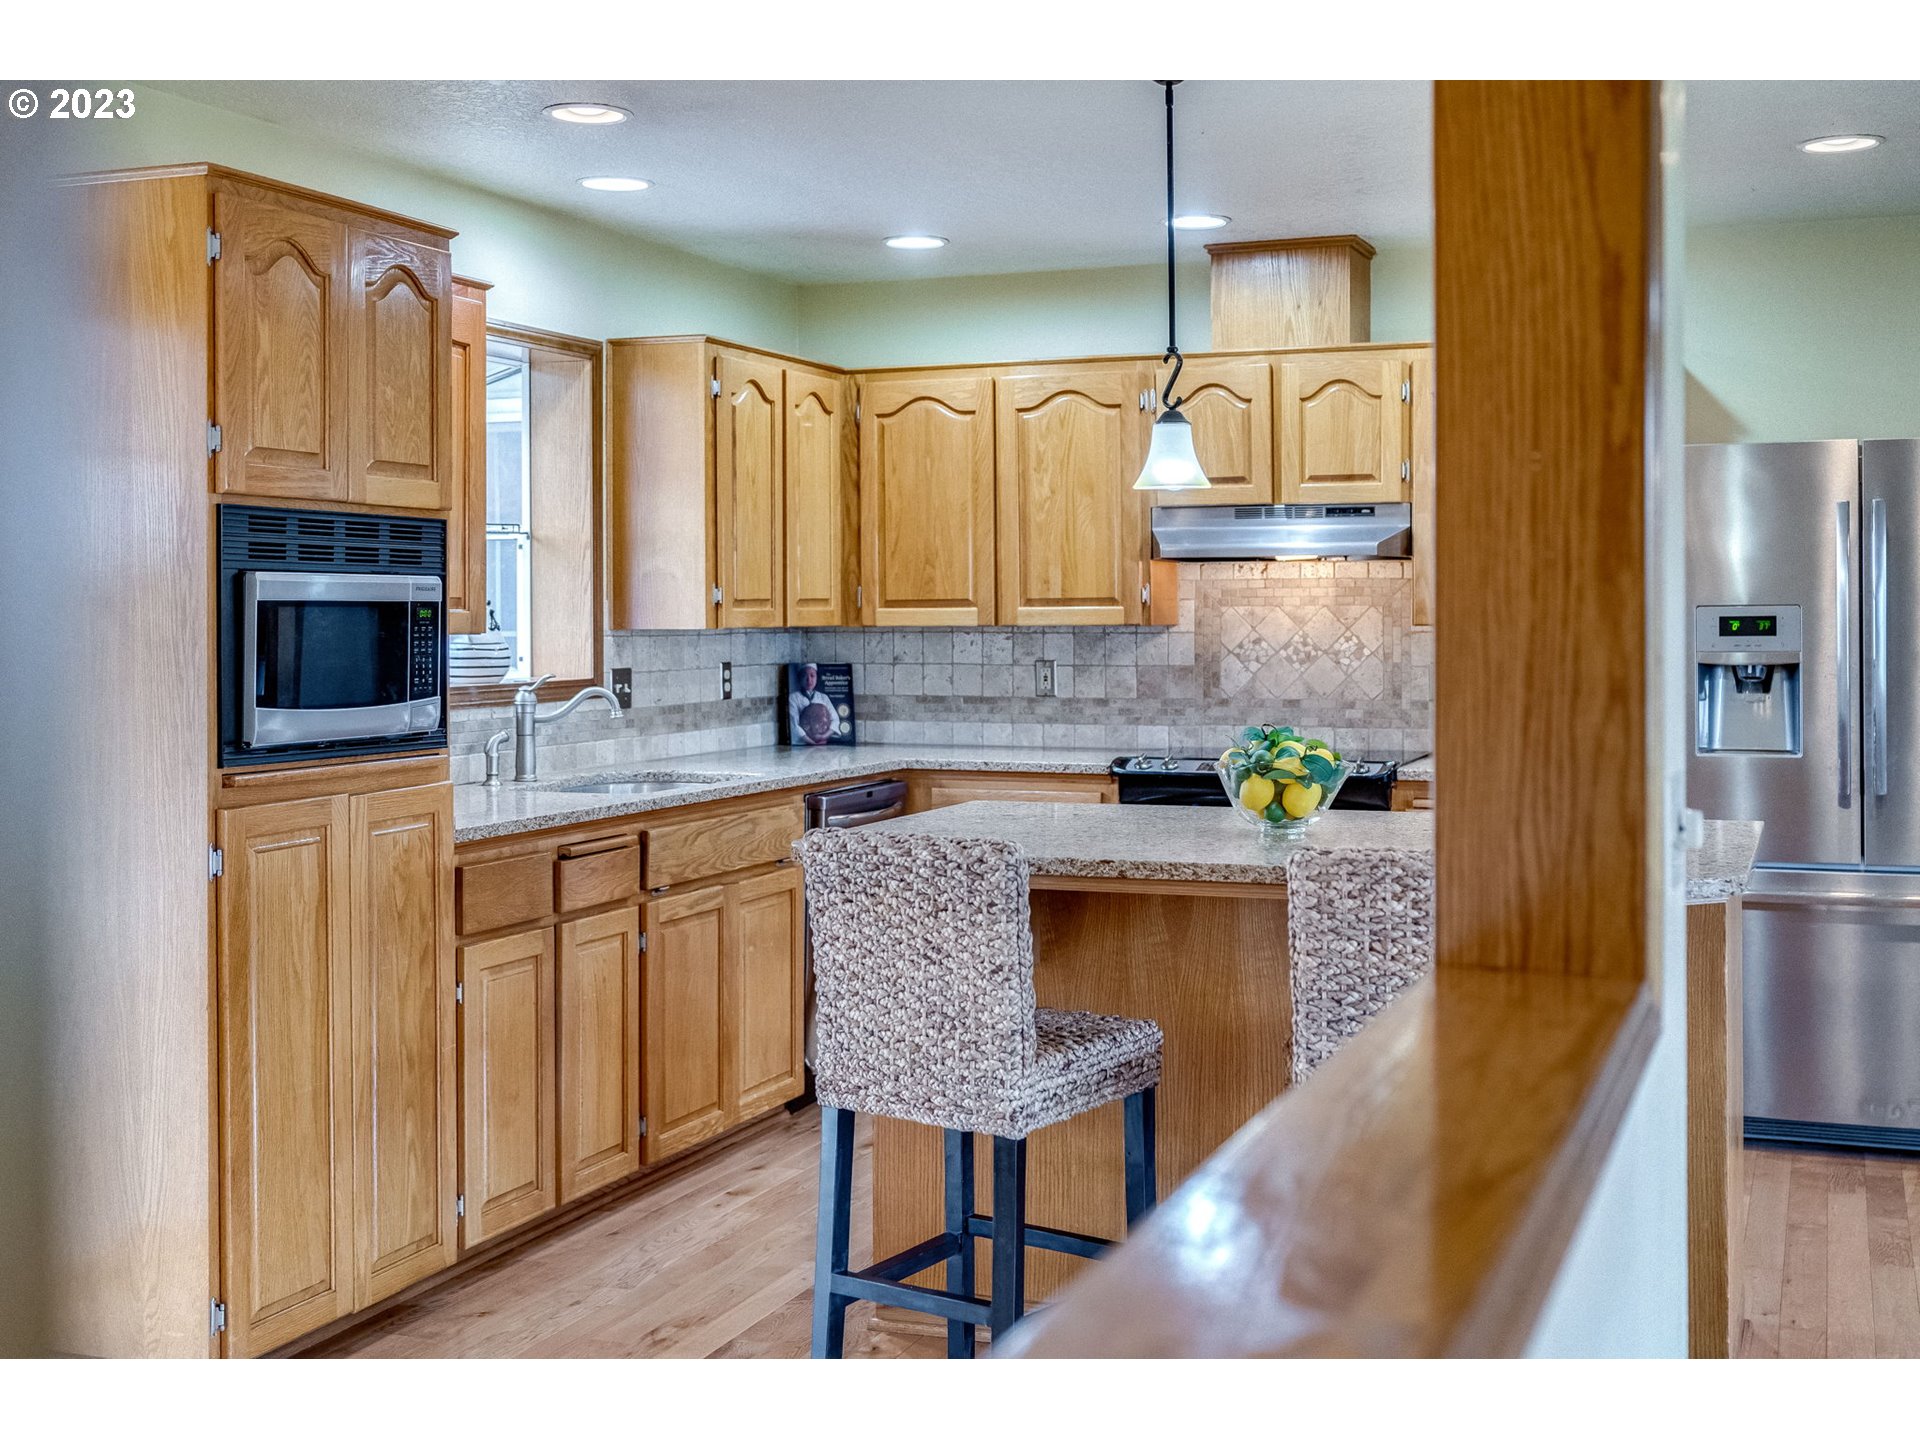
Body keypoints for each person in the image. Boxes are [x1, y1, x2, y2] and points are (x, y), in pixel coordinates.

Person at [787, 662, 842, 741]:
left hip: (823, 742)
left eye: (812, 676)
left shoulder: (823, 697)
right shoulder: (793, 698)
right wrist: (810, 741)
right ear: (799, 678)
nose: (809, 680)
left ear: (816, 678)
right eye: (804, 676)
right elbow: (794, 724)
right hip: (801, 743)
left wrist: (824, 737)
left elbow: (835, 719)